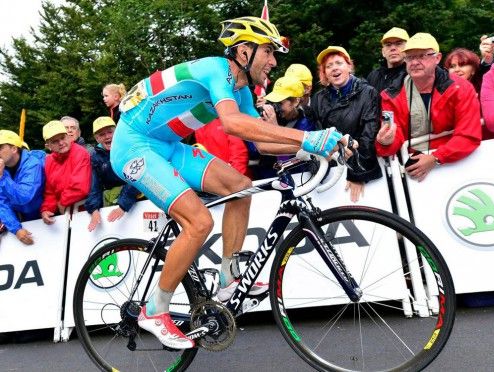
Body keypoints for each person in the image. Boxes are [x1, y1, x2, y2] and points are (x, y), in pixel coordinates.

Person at [110, 16, 348, 349]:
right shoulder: (215, 69)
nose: (274, 62)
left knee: (241, 186)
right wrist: (308, 138)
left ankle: (227, 277)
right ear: (244, 50)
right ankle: (154, 308)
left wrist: (317, 148)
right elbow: (233, 124)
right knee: (200, 221)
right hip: (133, 145)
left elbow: (262, 143)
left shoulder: (242, 90)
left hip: (168, 146)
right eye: (269, 52)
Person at [375, 33, 482, 182]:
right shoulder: (389, 96)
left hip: (459, 164)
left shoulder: (461, 88)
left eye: (422, 56)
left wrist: (435, 158)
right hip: (415, 172)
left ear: (437, 58)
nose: (415, 62)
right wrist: (385, 142)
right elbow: (392, 141)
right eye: (410, 57)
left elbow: (469, 135)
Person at [312, 46, 382, 202]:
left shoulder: (368, 93)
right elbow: (317, 135)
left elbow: (368, 134)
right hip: (330, 170)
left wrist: (358, 173)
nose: (334, 68)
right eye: (328, 66)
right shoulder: (317, 99)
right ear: (324, 73)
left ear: (349, 66)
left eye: (339, 63)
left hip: (359, 173)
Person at [251, 75, 316, 179]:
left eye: (280, 103)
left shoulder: (306, 125)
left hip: (293, 180)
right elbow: (253, 150)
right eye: (273, 102)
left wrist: (275, 129)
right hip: (266, 179)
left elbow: (288, 160)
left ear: (295, 101)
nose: (275, 107)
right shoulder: (268, 117)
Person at [85, 117, 140, 232]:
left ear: (117, 131)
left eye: (110, 132)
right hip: (115, 203)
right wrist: (94, 210)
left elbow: (137, 175)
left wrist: (123, 205)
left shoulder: (130, 147)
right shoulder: (95, 157)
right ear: (97, 138)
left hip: (138, 197)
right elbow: (94, 185)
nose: (107, 136)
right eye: (102, 134)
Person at [40, 120, 92, 224]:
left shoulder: (80, 153)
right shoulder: (48, 161)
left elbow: (81, 188)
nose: (61, 143)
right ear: (48, 146)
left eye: (63, 138)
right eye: (55, 141)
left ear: (68, 137)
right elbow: (50, 191)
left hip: (85, 211)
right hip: (65, 214)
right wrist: (46, 209)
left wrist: (62, 202)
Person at [0, 130, 45, 245]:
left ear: (14, 149)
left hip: (47, 217)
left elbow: (24, 196)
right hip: (22, 218)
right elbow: (2, 203)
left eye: (0, 148)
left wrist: (2, 177)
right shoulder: (2, 169)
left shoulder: (32, 164)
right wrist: (16, 229)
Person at [366, 27, 410, 93]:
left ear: (408, 48)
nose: (393, 48)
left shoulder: (412, 75)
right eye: (388, 45)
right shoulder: (373, 76)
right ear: (383, 52)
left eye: (398, 44)